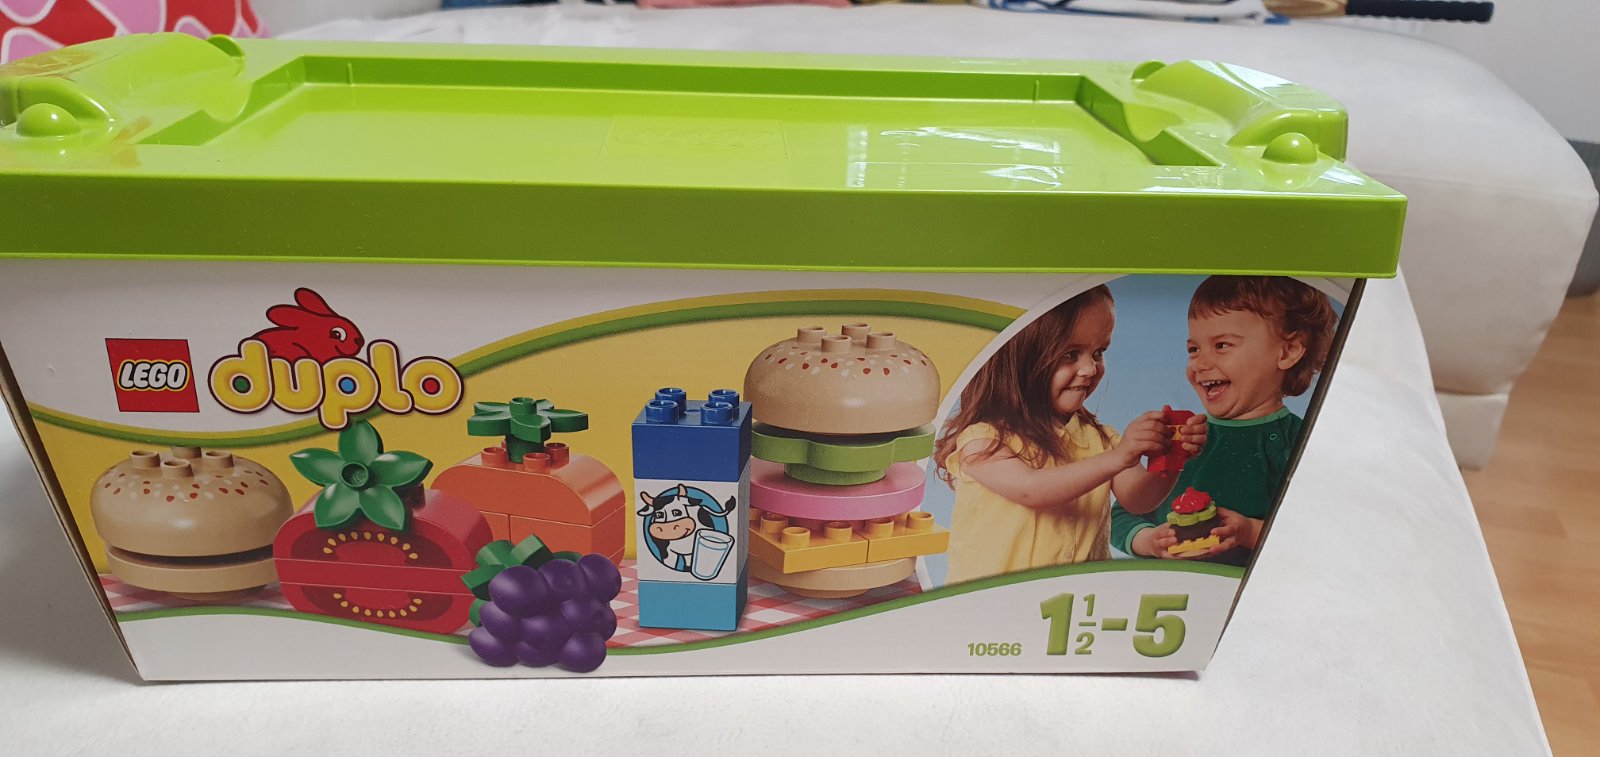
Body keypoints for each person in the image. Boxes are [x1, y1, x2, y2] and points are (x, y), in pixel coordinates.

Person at [933, 285, 1206, 583]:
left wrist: (1170, 457)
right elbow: (1031, 489)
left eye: (1099, 352)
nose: (1090, 368)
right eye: (1071, 354)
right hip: (995, 601)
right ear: (1021, 358)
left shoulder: (1100, 438)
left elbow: (1139, 500)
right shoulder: (983, 439)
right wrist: (1121, 456)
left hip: (1075, 600)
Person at [1111, 276, 1338, 566]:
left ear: (1287, 352)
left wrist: (1249, 532)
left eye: (1222, 345)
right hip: (1172, 586)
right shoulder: (1185, 439)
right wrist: (1150, 540)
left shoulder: (1301, 445)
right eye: (1193, 349)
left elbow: (1320, 535)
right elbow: (1123, 514)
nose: (1200, 364)